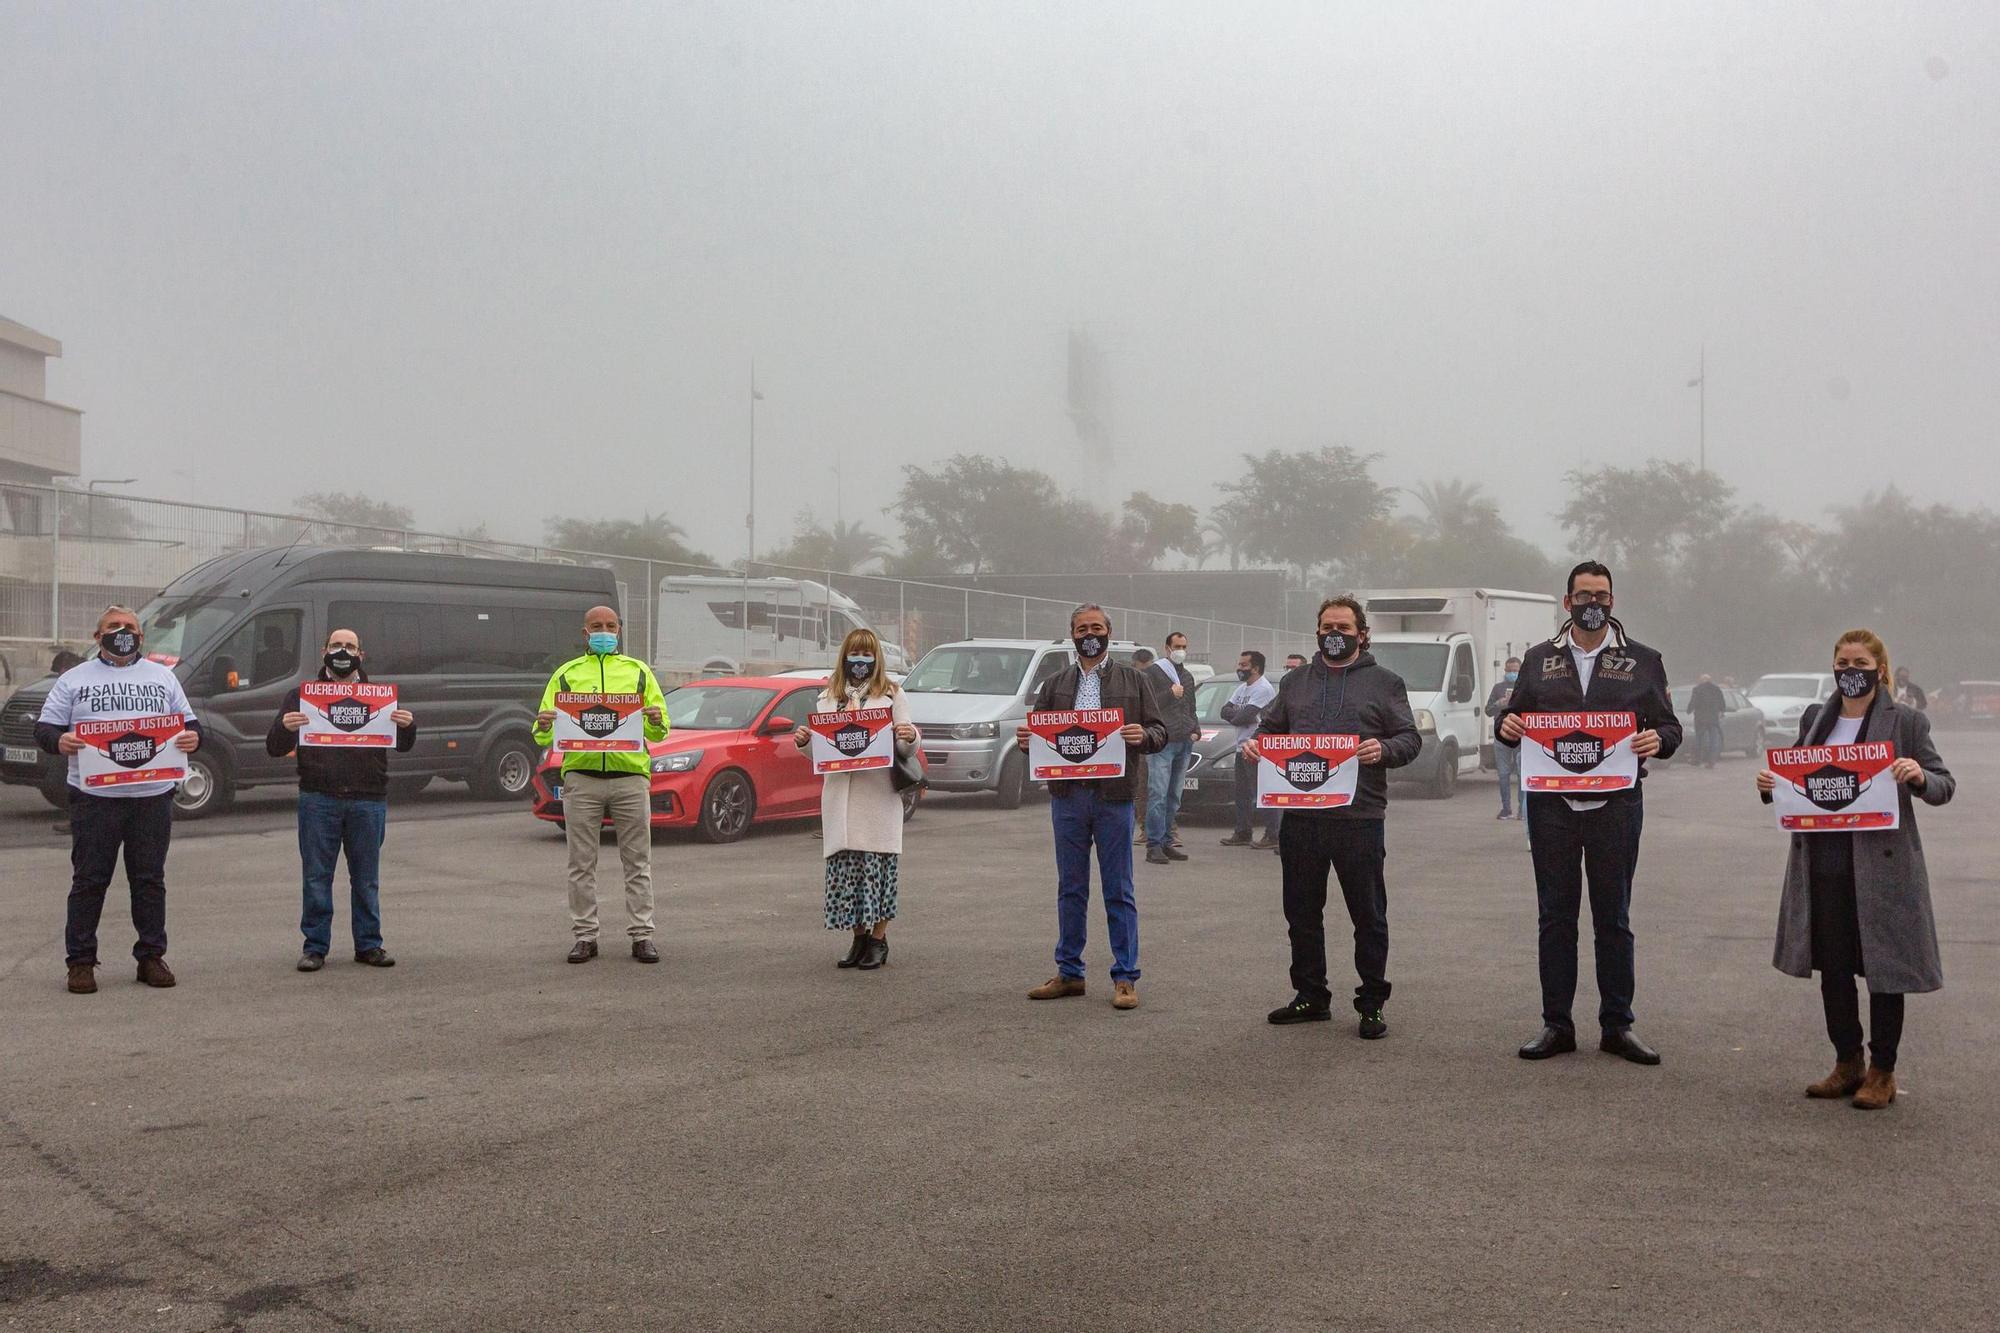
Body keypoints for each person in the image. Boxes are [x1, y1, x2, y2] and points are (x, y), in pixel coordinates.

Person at [1757, 630, 1952, 1110]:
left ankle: (1882, 1071)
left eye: (1860, 661)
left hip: (1882, 865)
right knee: (1835, 967)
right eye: (1842, 660)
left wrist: (1919, 776)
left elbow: (1944, 784)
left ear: (1879, 668)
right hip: (1824, 862)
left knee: (1887, 969)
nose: (1850, 669)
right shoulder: (1814, 718)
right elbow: (1797, 779)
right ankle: (1847, 1063)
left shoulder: (1905, 721)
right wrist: (1769, 785)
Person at [1497, 561, 1681, 1065]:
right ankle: (1556, 1024)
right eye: (1583, 595)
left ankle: (1617, 1025)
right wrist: (1506, 727)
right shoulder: (1538, 660)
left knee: (1613, 918)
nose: (1591, 603)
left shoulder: (1644, 661)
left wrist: (1656, 739)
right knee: (1555, 917)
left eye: (1600, 594)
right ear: (1567, 602)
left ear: (1613, 602)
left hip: (1617, 806)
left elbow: (1671, 729)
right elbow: (1512, 717)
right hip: (1551, 805)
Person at [1249, 598, 1421, 1036]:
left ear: (1362, 633)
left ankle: (1371, 1003)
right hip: (1301, 816)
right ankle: (1310, 995)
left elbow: (1409, 738)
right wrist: (1257, 746)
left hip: (1359, 816)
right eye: (1327, 626)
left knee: (1368, 914)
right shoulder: (1295, 682)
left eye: (1344, 626)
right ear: (1317, 632)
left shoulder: (1386, 683)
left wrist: (1384, 749)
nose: (1335, 633)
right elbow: (1270, 730)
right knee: (1302, 913)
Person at [35, 606, 203, 994]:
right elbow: (45, 728)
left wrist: (195, 739)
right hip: (95, 798)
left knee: (148, 880)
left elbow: (189, 724)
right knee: (89, 880)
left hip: (151, 797)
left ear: (141, 638)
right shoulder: (74, 680)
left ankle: (150, 957)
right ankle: (80, 963)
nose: (122, 632)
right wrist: (59, 741)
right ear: (98, 637)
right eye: (113, 627)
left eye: (130, 627)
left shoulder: (163, 678)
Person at [1015, 604, 1167, 1011]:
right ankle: (1069, 972)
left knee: (1119, 888)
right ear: (1072, 635)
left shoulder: (1133, 680)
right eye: (1082, 628)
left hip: (1113, 796)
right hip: (1068, 797)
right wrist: (1025, 741)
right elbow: (1038, 735)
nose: (1089, 634)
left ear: (1109, 633)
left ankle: (1125, 976)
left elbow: (1160, 731)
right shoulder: (1054, 684)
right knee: (1071, 888)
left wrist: (1143, 735)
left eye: (1096, 628)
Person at [266, 628, 418, 971]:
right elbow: (274, 747)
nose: (343, 651)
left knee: (366, 878)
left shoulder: (378, 696)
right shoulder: (301, 696)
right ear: (324, 651)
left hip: (368, 799)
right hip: (318, 799)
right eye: (337, 645)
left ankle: (369, 945)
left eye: (350, 646)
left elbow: (403, 744)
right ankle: (315, 947)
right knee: (316, 877)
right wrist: (285, 728)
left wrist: (408, 726)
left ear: (361, 655)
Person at [532, 606, 669, 965]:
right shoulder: (567, 675)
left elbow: (660, 729)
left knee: (638, 862)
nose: (604, 631)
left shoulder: (639, 672)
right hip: (582, 779)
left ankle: (642, 935)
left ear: (620, 630)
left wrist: (655, 719)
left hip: (629, 778)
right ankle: (585, 936)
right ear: (585, 633)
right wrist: (544, 724)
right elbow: (542, 731)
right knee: (581, 864)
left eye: (610, 626)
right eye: (597, 627)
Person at [792, 628, 917, 970]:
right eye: (854, 654)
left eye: (866, 654)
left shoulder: (892, 693)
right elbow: (823, 752)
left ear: (876, 657)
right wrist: (805, 741)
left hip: (876, 797)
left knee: (879, 872)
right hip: (840, 799)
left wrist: (910, 736)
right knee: (848, 876)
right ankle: (858, 938)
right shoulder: (828, 697)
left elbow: (907, 743)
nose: (860, 660)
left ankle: (878, 940)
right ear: (844, 656)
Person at [1143, 630, 1202, 865]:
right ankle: (1153, 845)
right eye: (1177, 646)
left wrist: (1195, 728)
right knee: (1157, 794)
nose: (1181, 651)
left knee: (1173, 797)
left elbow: (1190, 705)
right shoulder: (1153, 673)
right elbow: (1147, 703)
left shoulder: (1186, 676)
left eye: (1184, 647)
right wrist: (1169, 693)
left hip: (1184, 740)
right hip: (1162, 742)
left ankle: (1167, 841)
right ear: (1167, 648)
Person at [1219, 650, 1280, 849]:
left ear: (1255, 668)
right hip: (1240, 747)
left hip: (1256, 748)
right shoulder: (1243, 688)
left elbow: (1242, 718)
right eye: (1240, 664)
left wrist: (1238, 714)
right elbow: (1224, 710)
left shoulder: (1263, 689)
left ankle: (1273, 834)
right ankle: (1243, 832)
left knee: (1261, 793)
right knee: (1241, 794)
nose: (1239, 668)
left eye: (1244, 665)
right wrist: (1238, 713)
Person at [1486, 656, 1524, 820]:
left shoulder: (1525, 686)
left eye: (1515, 671)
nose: (1512, 674)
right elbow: (1488, 710)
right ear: (1505, 671)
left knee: (1523, 774)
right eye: (1509, 671)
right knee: (1503, 774)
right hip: (1501, 735)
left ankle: (1522, 810)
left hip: (1521, 736)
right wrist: (1499, 704)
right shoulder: (1498, 688)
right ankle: (1506, 809)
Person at [1129, 647, 1155, 848]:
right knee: (1141, 789)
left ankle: (1164, 832)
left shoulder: (1158, 681)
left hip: (1155, 741)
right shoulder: (1129, 683)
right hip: (1136, 745)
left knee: (1159, 791)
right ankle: (1145, 829)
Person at [1689, 673, 1727, 768]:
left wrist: (1689, 710)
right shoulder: (1716, 689)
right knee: (1713, 740)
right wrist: (1722, 710)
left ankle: (1697, 759)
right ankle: (1712, 761)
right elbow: (1722, 702)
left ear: (1701, 680)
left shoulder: (1697, 689)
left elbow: (1693, 702)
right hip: (1713, 719)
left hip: (1700, 719)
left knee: (1699, 739)